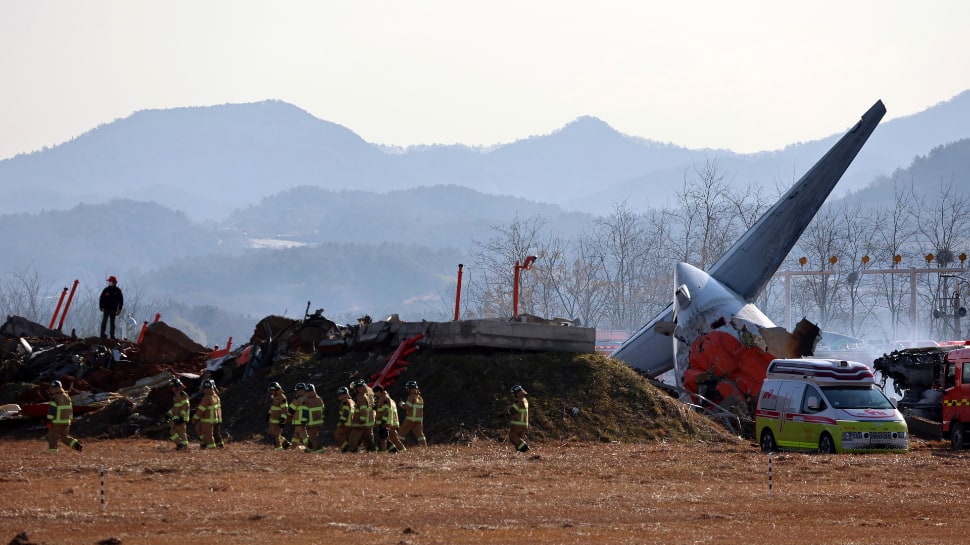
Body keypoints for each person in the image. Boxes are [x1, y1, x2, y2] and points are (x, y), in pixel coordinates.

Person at [46, 380, 83, 452]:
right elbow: (71, 409)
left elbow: (52, 410)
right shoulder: (67, 396)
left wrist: (49, 420)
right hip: (66, 421)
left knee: (52, 436)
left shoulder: (55, 397)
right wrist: (70, 419)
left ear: (53, 388)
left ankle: (52, 452)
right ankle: (77, 446)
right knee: (64, 437)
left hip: (56, 421)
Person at [190, 379, 222, 449]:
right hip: (216, 419)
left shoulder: (206, 398)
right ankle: (219, 445)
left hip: (208, 420)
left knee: (207, 435)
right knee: (216, 434)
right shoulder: (216, 396)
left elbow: (201, 411)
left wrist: (194, 419)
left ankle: (211, 449)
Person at [373, 384, 405, 453]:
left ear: (379, 391)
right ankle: (397, 450)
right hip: (390, 422)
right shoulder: (388, 398)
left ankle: (401, 452)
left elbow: (386, 411)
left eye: (375, 393)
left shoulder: (384, 399)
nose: (375, 395)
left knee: (389, 439)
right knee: (391, 438)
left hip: (386, 423)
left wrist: (383, 422)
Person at [347, 379, 376, 452]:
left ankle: (352, 452)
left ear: (359, 389)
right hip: (368, 422)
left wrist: (361, 420)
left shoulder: (361, 397)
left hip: (362, 423)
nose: (354, 391)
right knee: (368, 439)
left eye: (355, 389)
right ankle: (372, 452)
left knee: (353, 437)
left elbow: (363, 410)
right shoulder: (367, 396)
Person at [398, 380, 427, 447]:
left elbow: (408, 407)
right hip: (419, 420)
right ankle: (425, 448)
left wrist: (401, 404)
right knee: (420, 435)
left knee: (401, 433)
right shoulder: (420, 397)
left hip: (410, 419)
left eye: (407, 388)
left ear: (410, 389)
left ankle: (397, 448)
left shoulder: (411, 397)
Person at [166, 378, 190, 451]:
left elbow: (185, 406)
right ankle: (180, 445)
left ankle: (184, 447)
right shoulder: (176, 395)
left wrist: (181, 417)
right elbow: (176, 406)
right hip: (176, 416)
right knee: (172, 431)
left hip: (181, 417)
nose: (172, 389)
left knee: (181, 432)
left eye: (173, 387)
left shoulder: (182, 394)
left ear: (176, 386)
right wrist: (169, 413)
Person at [98, 276, 124, 340]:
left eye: (111, 282)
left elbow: (121, 300)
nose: (110, 283)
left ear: (115, 283)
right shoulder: (106, 290)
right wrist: (101, 306)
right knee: (104, 321)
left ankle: (112, 335)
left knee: (112, 322)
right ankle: (102, 334)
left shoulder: (118, 291)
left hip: (113, 309)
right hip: (106, 309)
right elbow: (101, 298)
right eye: (109, 282)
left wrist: (119, 309)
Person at [267, 382, 291, 450]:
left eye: (272, 390)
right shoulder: (274, 397)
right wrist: (269, 414)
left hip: (278, 419)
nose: (271, 392)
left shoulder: (282, 397)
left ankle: (279, 448)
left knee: (276, 435)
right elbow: (273, 407)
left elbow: (285, 410)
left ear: (276, 389)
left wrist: (282, 419)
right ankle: (285, 443)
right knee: (271, 433)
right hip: (273, 419)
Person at [303, 383, 325, 453]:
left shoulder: (306, 400)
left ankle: (319, 451)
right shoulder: (319, 399)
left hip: (310, 423)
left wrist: (303, 421)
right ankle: (308, 450)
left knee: (313, 438)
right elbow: (323, 409)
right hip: (319, 422)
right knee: (313, 437)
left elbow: (305, 412)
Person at [508, 384, 530, 452]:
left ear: (516, 392)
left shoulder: (519, 400)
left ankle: (526, 448)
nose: (513, 395)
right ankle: (520, 453)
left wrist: (503, 414)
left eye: (513, 393)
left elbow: (512, 410)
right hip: (524, 423)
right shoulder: (525, 400)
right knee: (519, 440)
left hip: (518, 423)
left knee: (512, 436)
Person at [287, 383, 308, 450]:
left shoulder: (298, 399)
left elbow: (291, 409)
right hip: (303, 420)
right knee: (296, 435)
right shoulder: (307, 398)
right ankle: (293, 448)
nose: (297, 392)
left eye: (298, 390)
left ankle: (309, 448)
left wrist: (288, 415)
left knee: (303, 435)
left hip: (299, 420)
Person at [334, 386, 355, 452]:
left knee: (338, 434)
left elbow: (346, 412)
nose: (338, 396)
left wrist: (342, 422)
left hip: (346, 423)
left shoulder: (344, 401)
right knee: (347, 437)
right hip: (352, 423)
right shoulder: (352, 401)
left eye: (339, 395)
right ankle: (350, 450)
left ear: (342, 394)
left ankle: (345, 447)